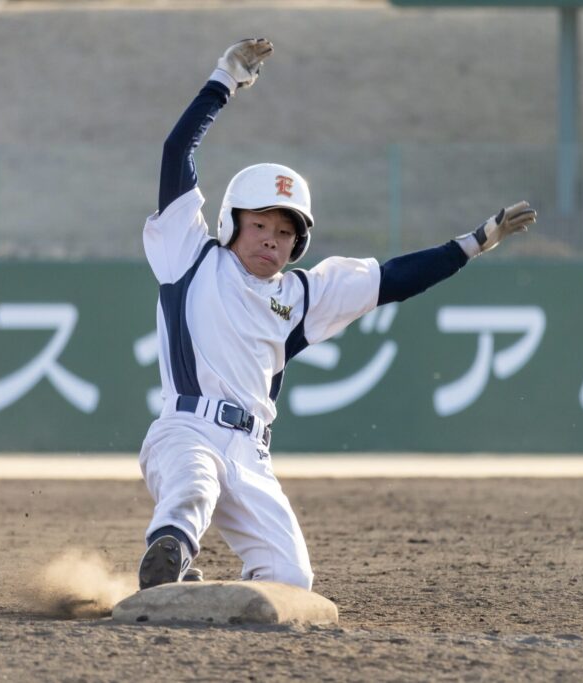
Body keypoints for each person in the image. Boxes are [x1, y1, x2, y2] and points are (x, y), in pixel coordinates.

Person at [135, 39, 538, 592]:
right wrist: (223, 81)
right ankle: (169, 555)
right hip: (187, 431)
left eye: (285, 232)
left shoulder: (302, 295)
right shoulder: (191, 254)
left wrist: (473, 243)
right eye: (260, 225)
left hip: (251, 453)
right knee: (192, 491)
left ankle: (185, 587)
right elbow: (176, 150)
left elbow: (392, 279)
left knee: (291, 578)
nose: (272, 240)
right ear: (232, 223)